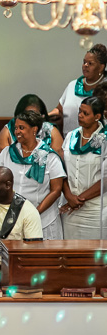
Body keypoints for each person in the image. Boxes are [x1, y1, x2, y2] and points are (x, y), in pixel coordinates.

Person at [0, 110, 66, 240]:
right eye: (16, 128)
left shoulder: (49, 156)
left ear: (34, 129)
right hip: (12, 220)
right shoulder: (7, 153)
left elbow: (56, 190)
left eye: (21, 128)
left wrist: (34, 213)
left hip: (44, 219)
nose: (17, 132)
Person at [60, 96, 107, 239]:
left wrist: (79, 199)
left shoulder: (105, 139)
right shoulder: (71, 136)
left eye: (85, 113)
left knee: (95, 251)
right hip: (70, 209)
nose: (80, 115)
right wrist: (69, 197)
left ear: (97, 117)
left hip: (96, 210)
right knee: (69, 250)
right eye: (80, 111)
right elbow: (62, 170)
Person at [51, 44, 107, 135]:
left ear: (101, 67)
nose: (85, 65)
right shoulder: (73, 85)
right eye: (84, 62)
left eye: (90, 63)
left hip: (98, 140)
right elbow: (60, 110)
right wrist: (45, 116)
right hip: (69, 140)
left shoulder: (104, 89)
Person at [0, 94, 63, 161]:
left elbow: (58, 161)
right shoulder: (8, 130)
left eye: (35, 116)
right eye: (26, 116)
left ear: (42, 116)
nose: (31, 120)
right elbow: (0, 164)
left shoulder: (51, 131)